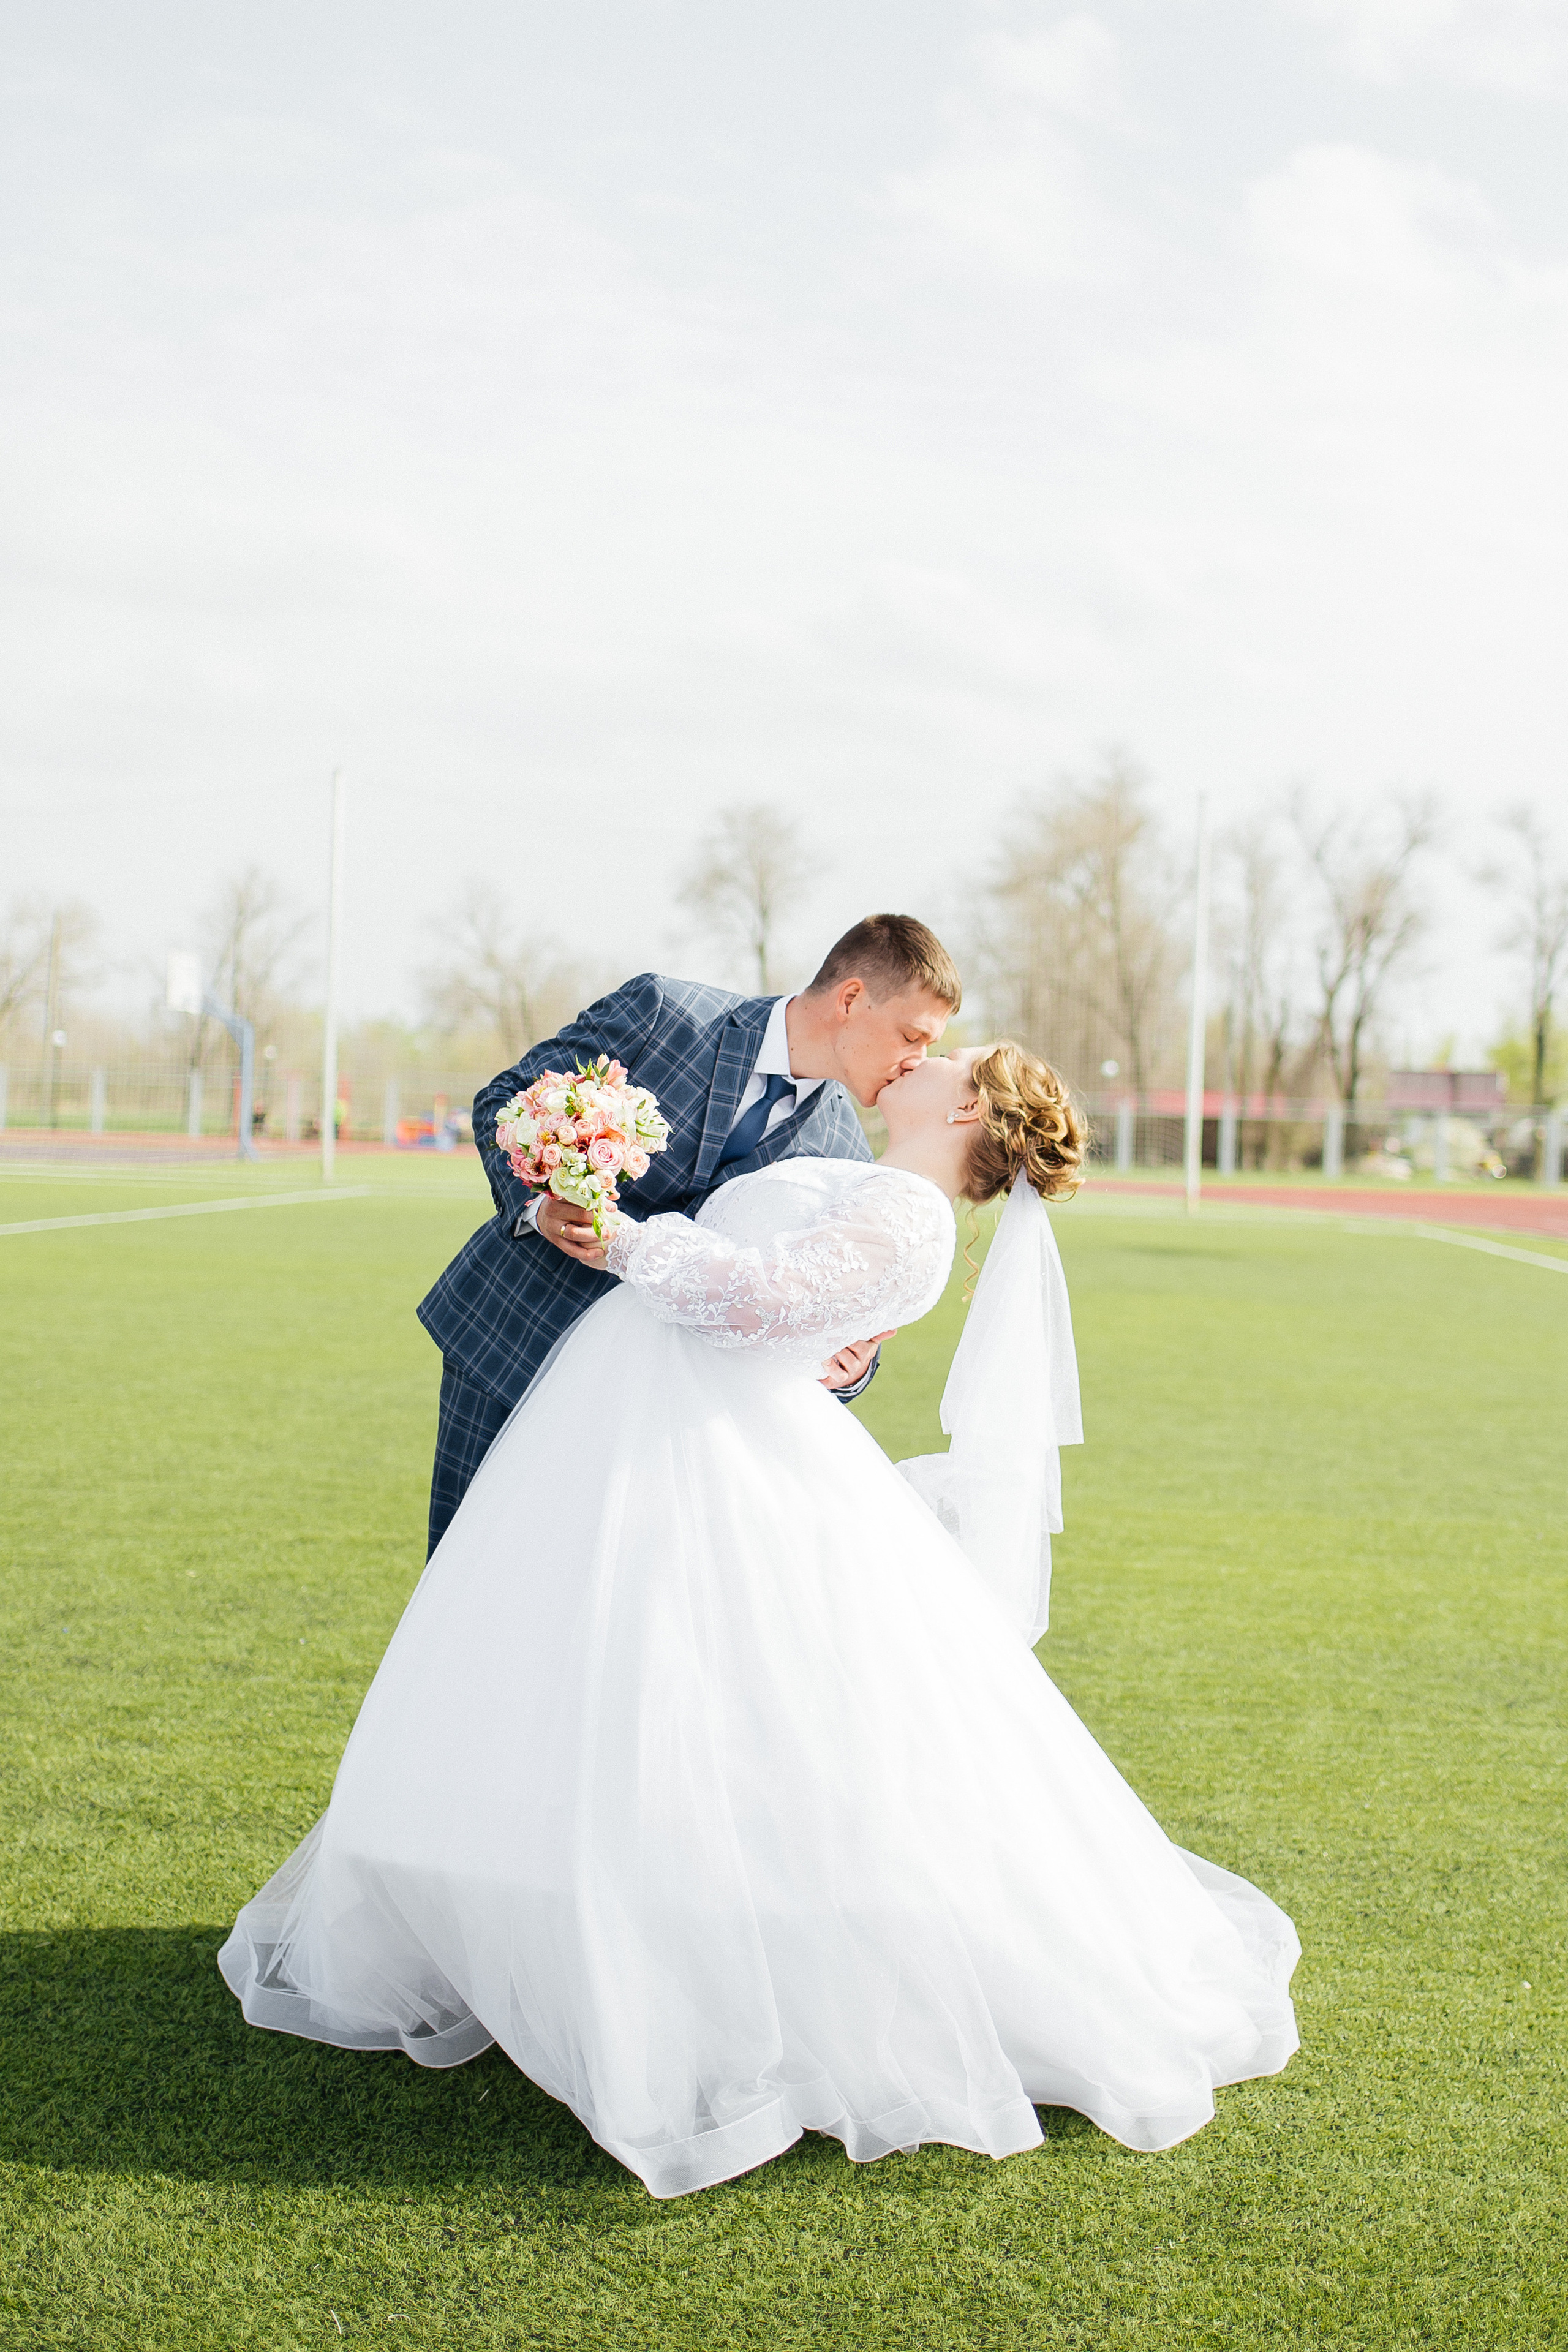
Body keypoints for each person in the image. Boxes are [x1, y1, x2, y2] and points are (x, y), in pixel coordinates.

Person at [220, 1037, 1300, 2200]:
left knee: (707, 1695)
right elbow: (785, 1303)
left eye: (951, 1055)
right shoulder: (870, 1179)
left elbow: (763, 1301)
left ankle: (686, 1964)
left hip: (712, 1446)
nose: (925, 1056)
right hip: (643, 1419)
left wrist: (626, 1239)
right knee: (605, 1678)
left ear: (971, 1110)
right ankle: (574, 1919)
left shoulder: (912, 1214)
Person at [415, 914, 961, 1556]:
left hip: (646, 1417)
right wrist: (537, 1206)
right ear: (850, 999)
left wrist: (850, 1370)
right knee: (461, 1572)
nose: (916, 1062)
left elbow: (813, 1307)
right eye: (911, 1036)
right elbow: (505, 1100)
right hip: (511, 1344)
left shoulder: (844, 1152)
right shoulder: (664, 1013)